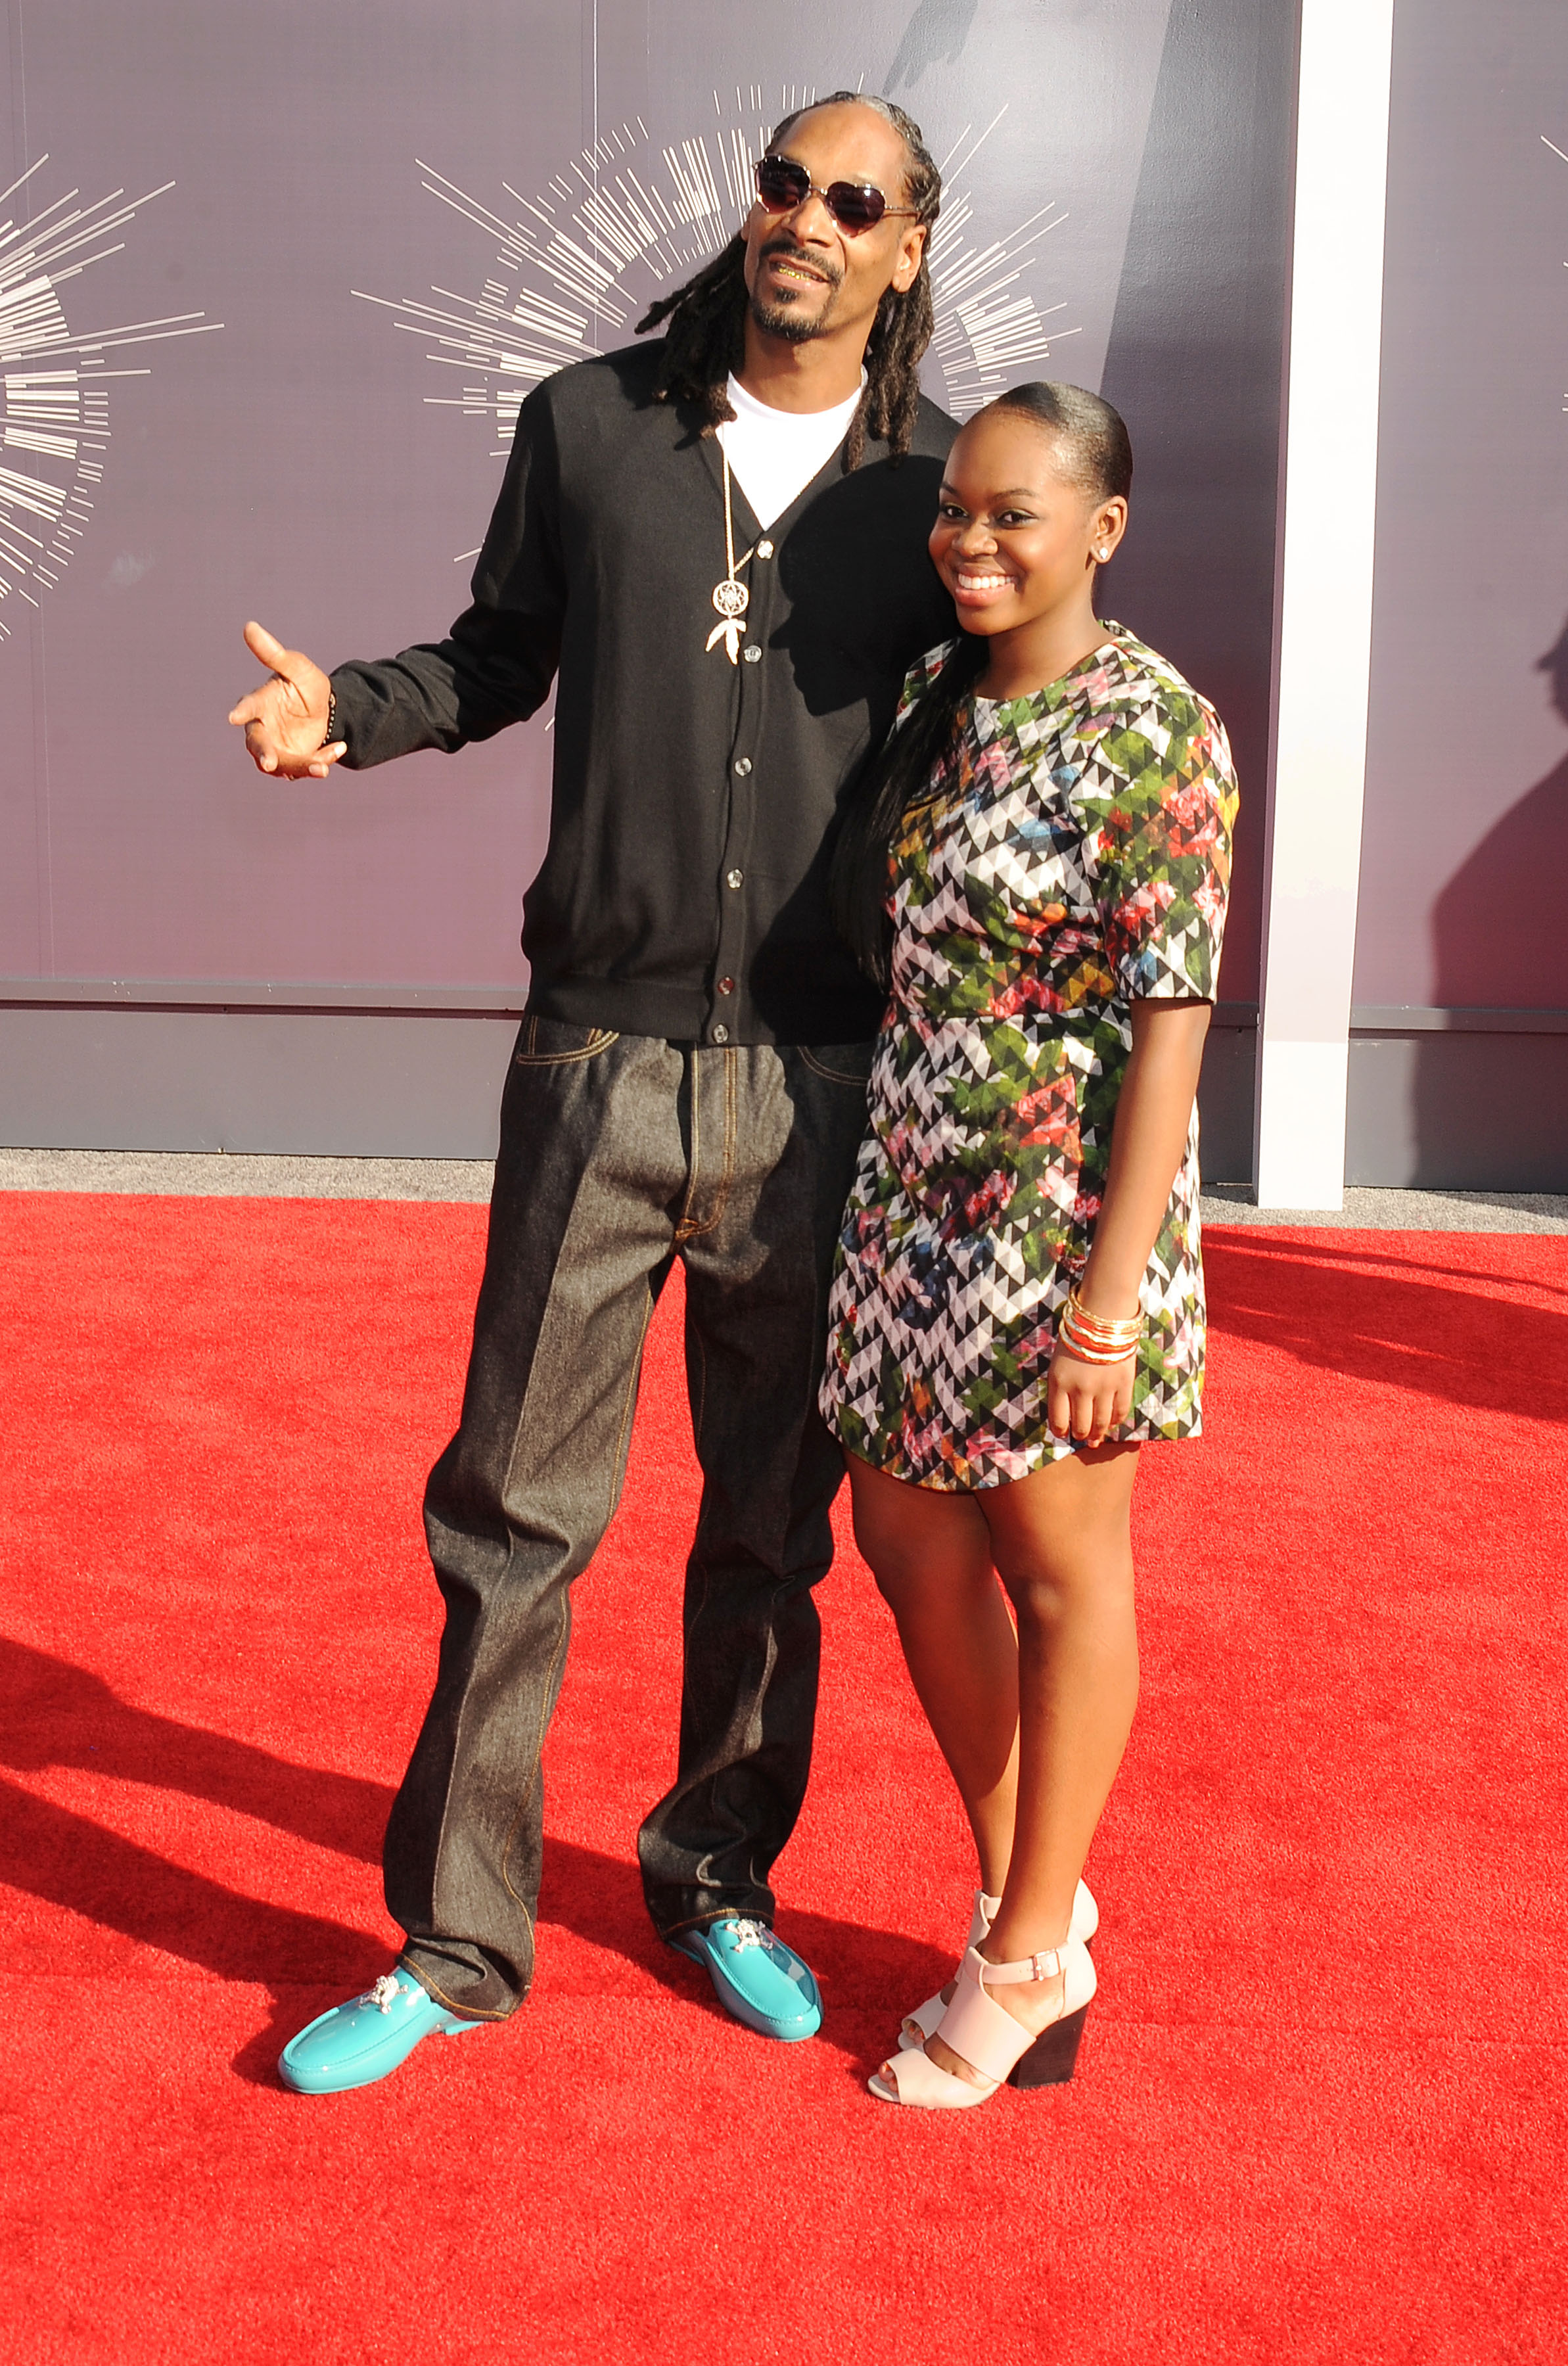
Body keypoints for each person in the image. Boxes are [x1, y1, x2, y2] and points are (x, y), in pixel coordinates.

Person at [227, 93, 960, 2094]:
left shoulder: (932, 495)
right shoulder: (590, 423)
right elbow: (497, 655)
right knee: (511, 1520)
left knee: (767, 1526)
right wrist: (345, 718)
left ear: (907, 250)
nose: (804, 219)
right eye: (786, 184)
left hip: (821, 1077)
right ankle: (456, 1943)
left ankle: (715, 1871)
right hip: (595, 1055)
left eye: (854, 202)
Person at [820, 383, 1237, 2109]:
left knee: (1058, 1572)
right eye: (954, 513)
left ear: (1101, 528)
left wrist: (1103, 1306)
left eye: (1011, 515)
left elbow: (1171, 1027)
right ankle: (1034, 1903)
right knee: (904, 1536)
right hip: (910, 1189)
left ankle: (1019, 1957)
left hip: (1062, 1216)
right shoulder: (928, 696)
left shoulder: (1156, 731)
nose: (969, 544)